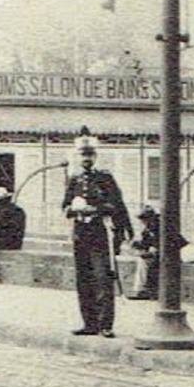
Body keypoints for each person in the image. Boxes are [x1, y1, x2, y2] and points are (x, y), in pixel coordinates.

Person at [62, 135, 132, 337]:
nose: (86, 158)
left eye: (90, 154)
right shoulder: (74, 179)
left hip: (99, 232)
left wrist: (95, 209)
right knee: (83, 279)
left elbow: (115, 205)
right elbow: (65, 205)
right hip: (80, 233)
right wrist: (72, 209)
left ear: (95, 156)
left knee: (102, 277)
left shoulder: (104, 178)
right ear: (77, 156)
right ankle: (89, 323)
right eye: (83, 154)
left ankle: (105, 324)